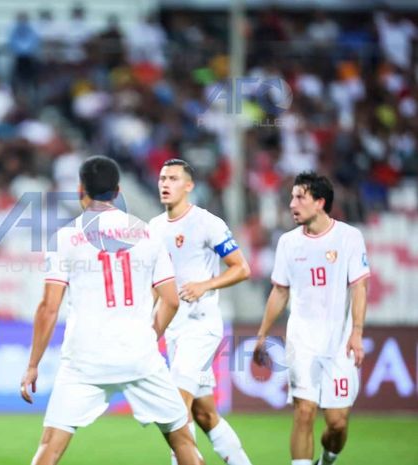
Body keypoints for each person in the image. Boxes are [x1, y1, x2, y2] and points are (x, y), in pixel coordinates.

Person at [20, 155, 203, 465]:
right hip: (139, 355)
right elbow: (171, 299)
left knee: (50, 446)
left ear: (81, 190)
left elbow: (48, 308)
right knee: (182, 439)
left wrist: (33, 365)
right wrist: (150, 335)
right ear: (118, 191)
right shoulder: (148, 234)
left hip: (84, 359)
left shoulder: (65, 238)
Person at [253, 172, 370, 465]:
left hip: (338, 345)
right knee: (304, 412)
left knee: (337, 422)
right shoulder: (288, 243)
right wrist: (262, 334)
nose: (292, 203)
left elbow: (359, 287)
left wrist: (356, 332)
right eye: (292, 197)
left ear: (319, 202)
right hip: (301, 341)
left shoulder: (349, 238)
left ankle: (327, 459)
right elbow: (280, 291)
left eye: (299, 197)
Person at [149, 159, 253, 465]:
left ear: (189, 186)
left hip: (201, 326)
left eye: (173, 178)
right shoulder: (154, 228)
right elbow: (156, 284)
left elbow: (241, 268)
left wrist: (205, 285)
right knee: (204, 413)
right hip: (174, 329)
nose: (165, 184)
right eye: (162, 178)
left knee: (175, 406)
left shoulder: (207, 223)